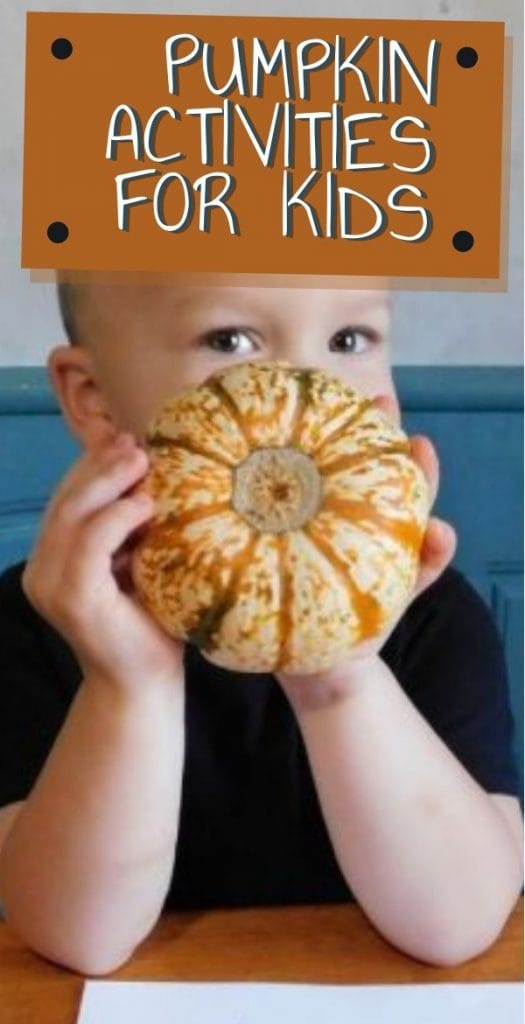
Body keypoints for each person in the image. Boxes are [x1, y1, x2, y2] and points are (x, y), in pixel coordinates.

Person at [0, 277, 522, 977]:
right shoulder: (38, 622)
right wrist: (130, 687)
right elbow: (80, 940)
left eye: (349, 340)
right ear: (94, 398)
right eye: (230, 341)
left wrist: (339, 674)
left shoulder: (432, 615)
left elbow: (457, 925)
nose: (307, 384)